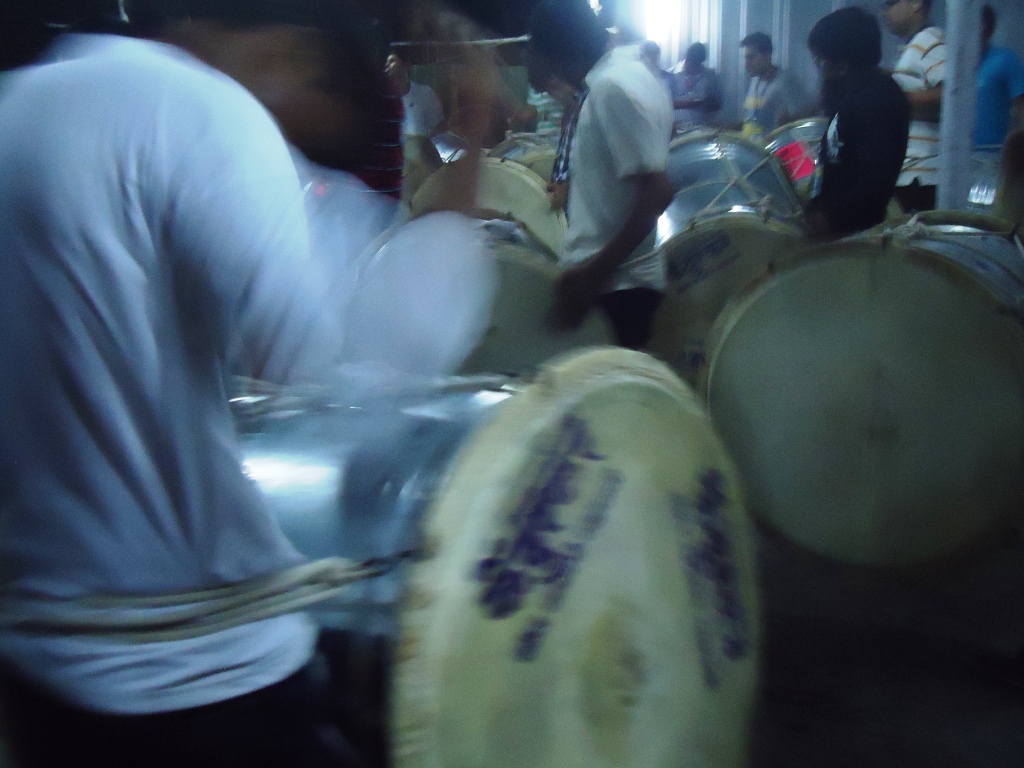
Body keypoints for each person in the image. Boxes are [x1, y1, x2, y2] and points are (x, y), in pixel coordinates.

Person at [0, 0, 393, 765]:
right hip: (198, 678)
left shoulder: (18, 107)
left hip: (41, 670)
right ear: (289, 53)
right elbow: (313, 350)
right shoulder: (201, 109)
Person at [527, 0, 674, 350]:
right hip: (618, 282)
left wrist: (592, 279)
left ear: (550, 54)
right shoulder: (634, 75)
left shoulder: (611, 88)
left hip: (617, 289)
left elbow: (657, 191)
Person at [804, 7, 910, 240]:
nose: (818, 67)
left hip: (855, 239)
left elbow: (875, 180)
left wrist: (828, 218)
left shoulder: (876, 99)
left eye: (820, 60)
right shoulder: (856, 95)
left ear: (842, 65)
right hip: (841, 233)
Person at [881, 0, 945, 212]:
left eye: (890, 3)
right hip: (912, 172)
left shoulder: (932, 40)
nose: (884, 12)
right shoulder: (917, 45)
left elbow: (951, 95)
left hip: (923, 172)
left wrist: (894, 98)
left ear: (916, 4)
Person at [740, 31, 811, 140]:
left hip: (774, 153)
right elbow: (752, 121)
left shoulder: (785, 83)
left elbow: (805, 118)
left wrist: (787, 123)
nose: (746, 64)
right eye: (745, 58)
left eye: (751, 57)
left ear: (767, 55)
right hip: (754, 150)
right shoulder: (755, 82)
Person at [976, 4, 1024, 151]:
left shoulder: (1005, 60)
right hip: (956, 157)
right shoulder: (953, 67)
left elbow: (1021, 110)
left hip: (993, 157)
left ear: (983, 26)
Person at [386, 49, 445, 138]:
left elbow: (439, 126)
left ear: (406, 64)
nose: (387, 66)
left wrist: (423, 144)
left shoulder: (425, 93)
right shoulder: (382, 99)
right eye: (386, 63)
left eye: (392, 61)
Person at [671, 42, 723, 131]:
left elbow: (718, 104)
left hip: (702, 127)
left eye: (694, 62)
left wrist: (705, 102)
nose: (688, 64)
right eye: (688, 60)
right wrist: (688, 103)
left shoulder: (710, 76)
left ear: (700, 62)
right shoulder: (675, 75)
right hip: (678, 128)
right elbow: (667, 104)